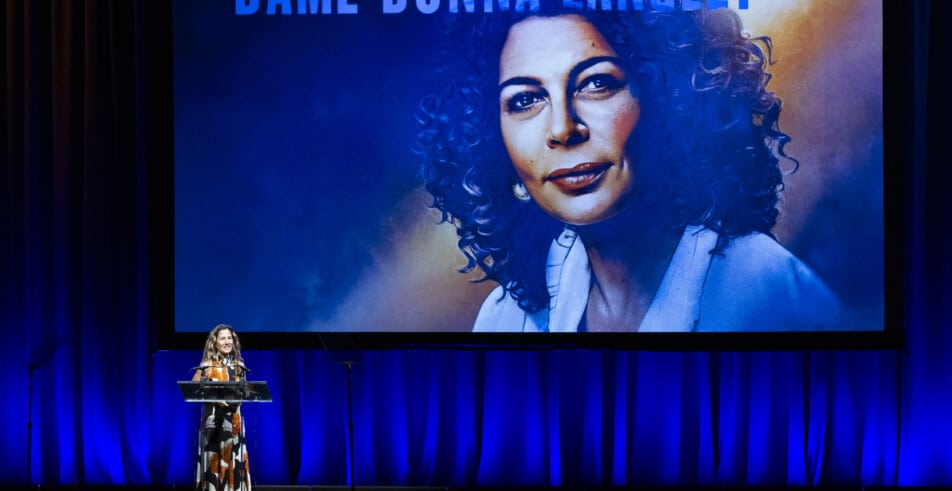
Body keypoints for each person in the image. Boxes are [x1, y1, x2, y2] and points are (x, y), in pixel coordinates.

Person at [416, 5, 840, 332]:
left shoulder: (776, 294)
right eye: (525, 100)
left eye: (597, 84)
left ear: (667, 101)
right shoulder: (506, 320)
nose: (563, 129)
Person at [192, 324, 252, 490]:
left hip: (234, 422)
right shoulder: (207, 365)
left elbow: (244, 391)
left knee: (234, 461)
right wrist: (214, 397)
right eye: (223, 338)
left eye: (229, 338)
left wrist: (238, 397)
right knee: (214, 461)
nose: (227, 342)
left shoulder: (239, 366)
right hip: (213, 422)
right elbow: (193, 389)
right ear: (214, 342)